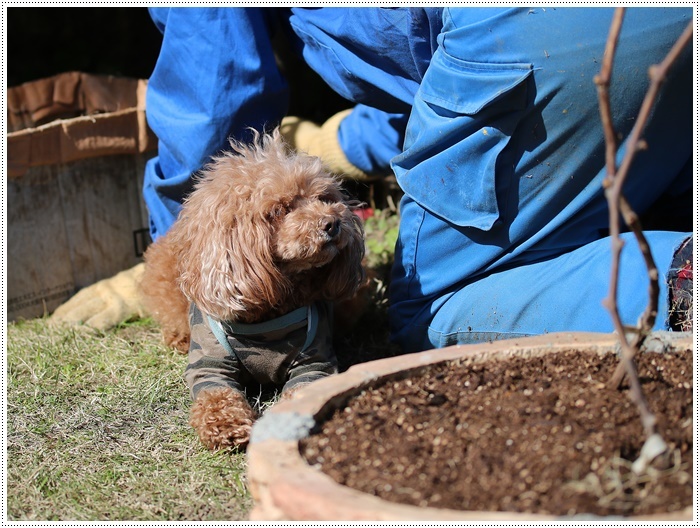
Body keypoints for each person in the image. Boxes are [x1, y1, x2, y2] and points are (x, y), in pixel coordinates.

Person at [52, 7, 693, 353]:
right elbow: (426, 67)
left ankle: (679, 278)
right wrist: (346, 144)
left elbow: (214, 85)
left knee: (428, 305)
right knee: (633, 202)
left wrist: (182, 247)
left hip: (534, 32)